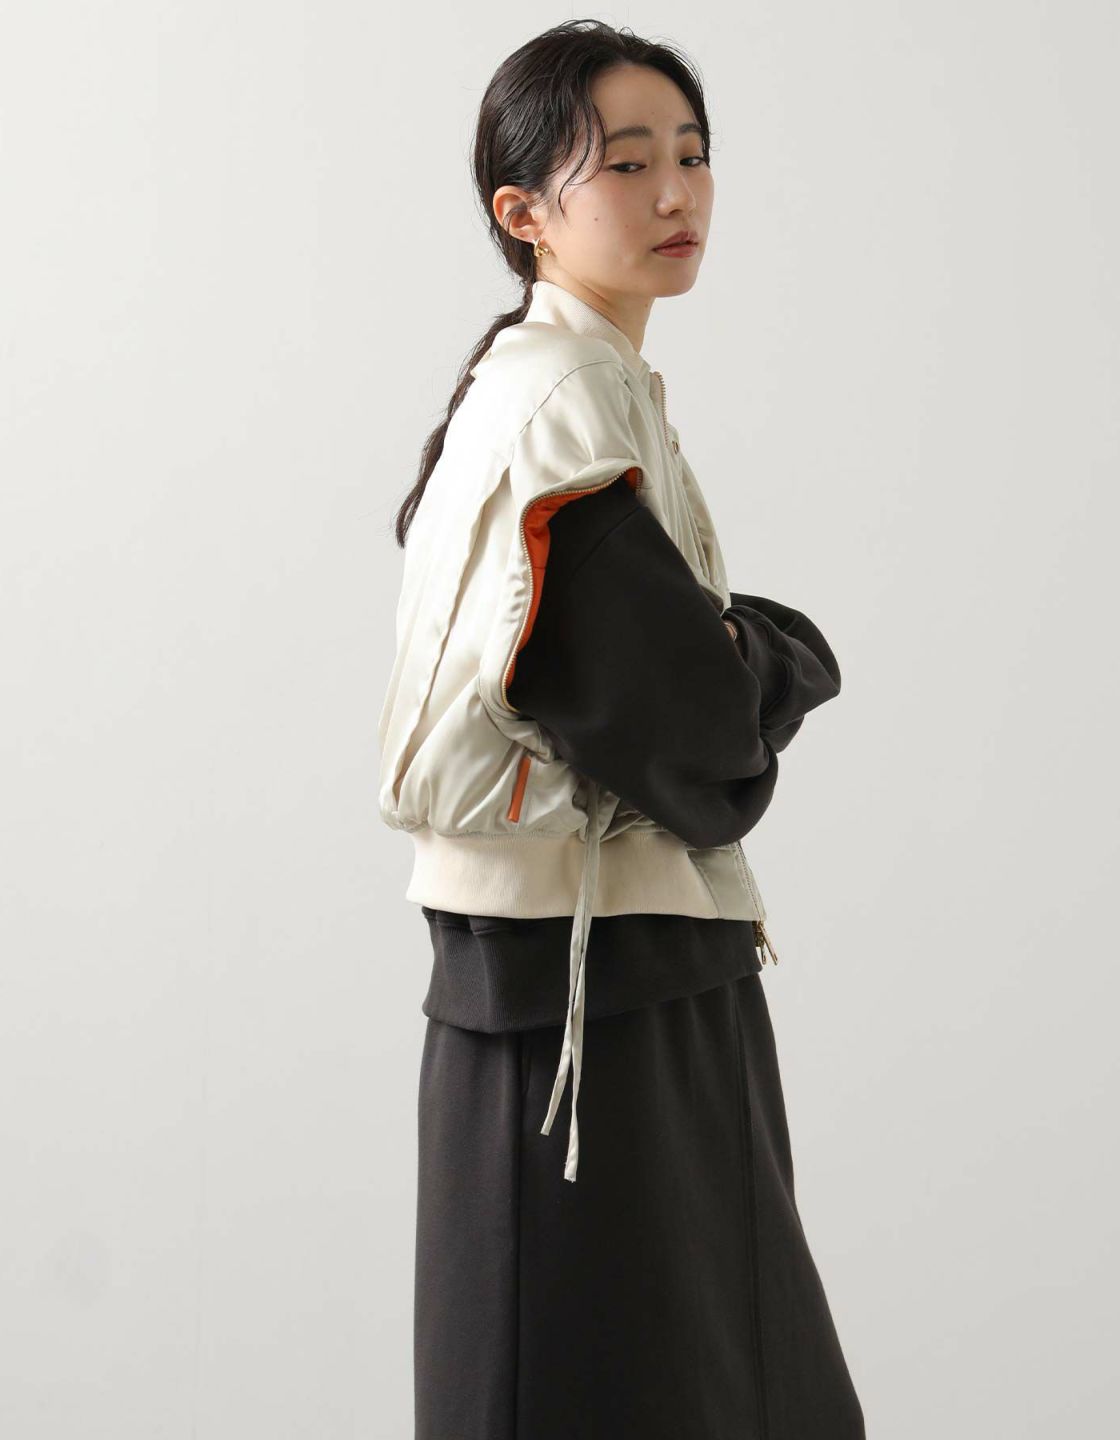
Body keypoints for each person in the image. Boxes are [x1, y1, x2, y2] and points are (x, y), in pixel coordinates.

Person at [377, 20, 866, 1439]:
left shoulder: (562, 382)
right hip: (588, 996)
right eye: (629, 163)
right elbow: (700, 742)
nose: (676, 193)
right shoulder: (564, 402)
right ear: (523, 213)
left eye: (694, 156)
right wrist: (777, 653)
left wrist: (736, 654)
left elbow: (675, 698)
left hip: (600, 971)